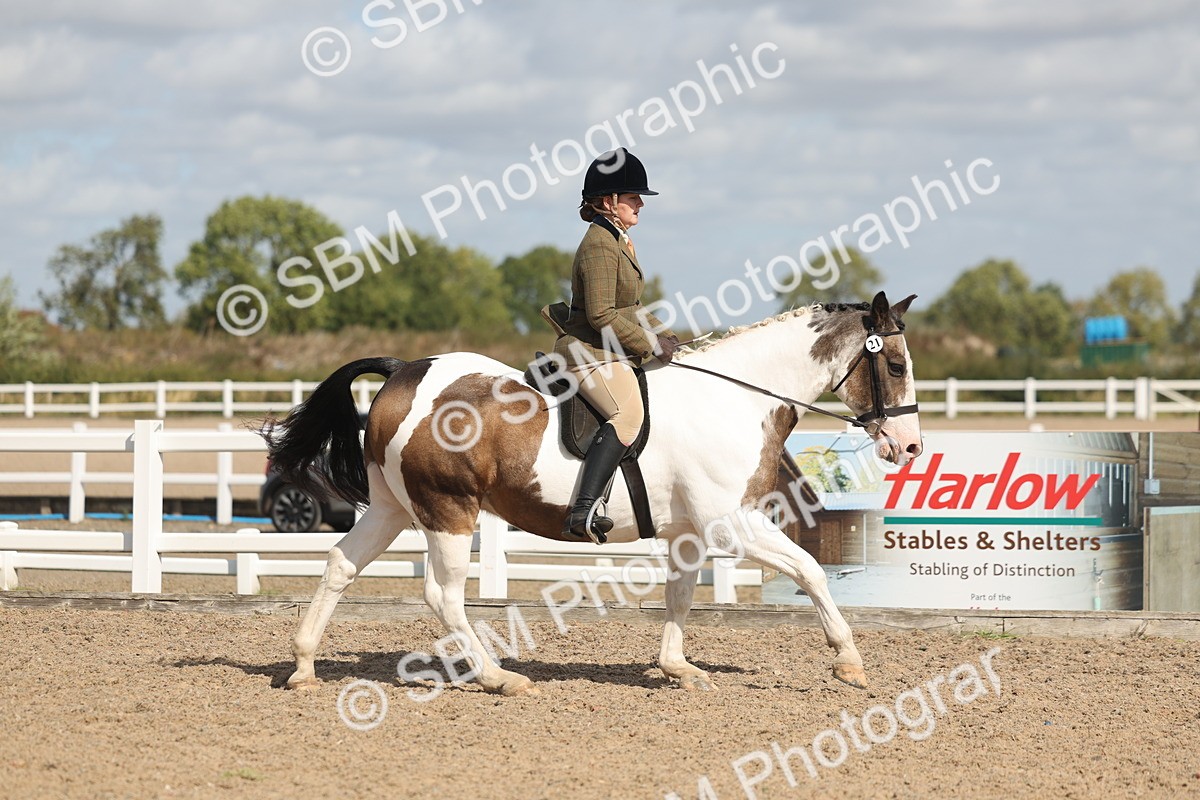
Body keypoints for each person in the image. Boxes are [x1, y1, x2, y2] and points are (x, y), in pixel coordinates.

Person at [546, 147, 679, 542]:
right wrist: (650, 345)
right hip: (587, 353)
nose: (640, 203)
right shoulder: (599, 245)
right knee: (627, 417)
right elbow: (602, 315)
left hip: (608, 349)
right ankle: (583, 510)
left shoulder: (618, 240)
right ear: (608, 202)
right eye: (633, 197)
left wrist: (665, 336)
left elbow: (631, 307)